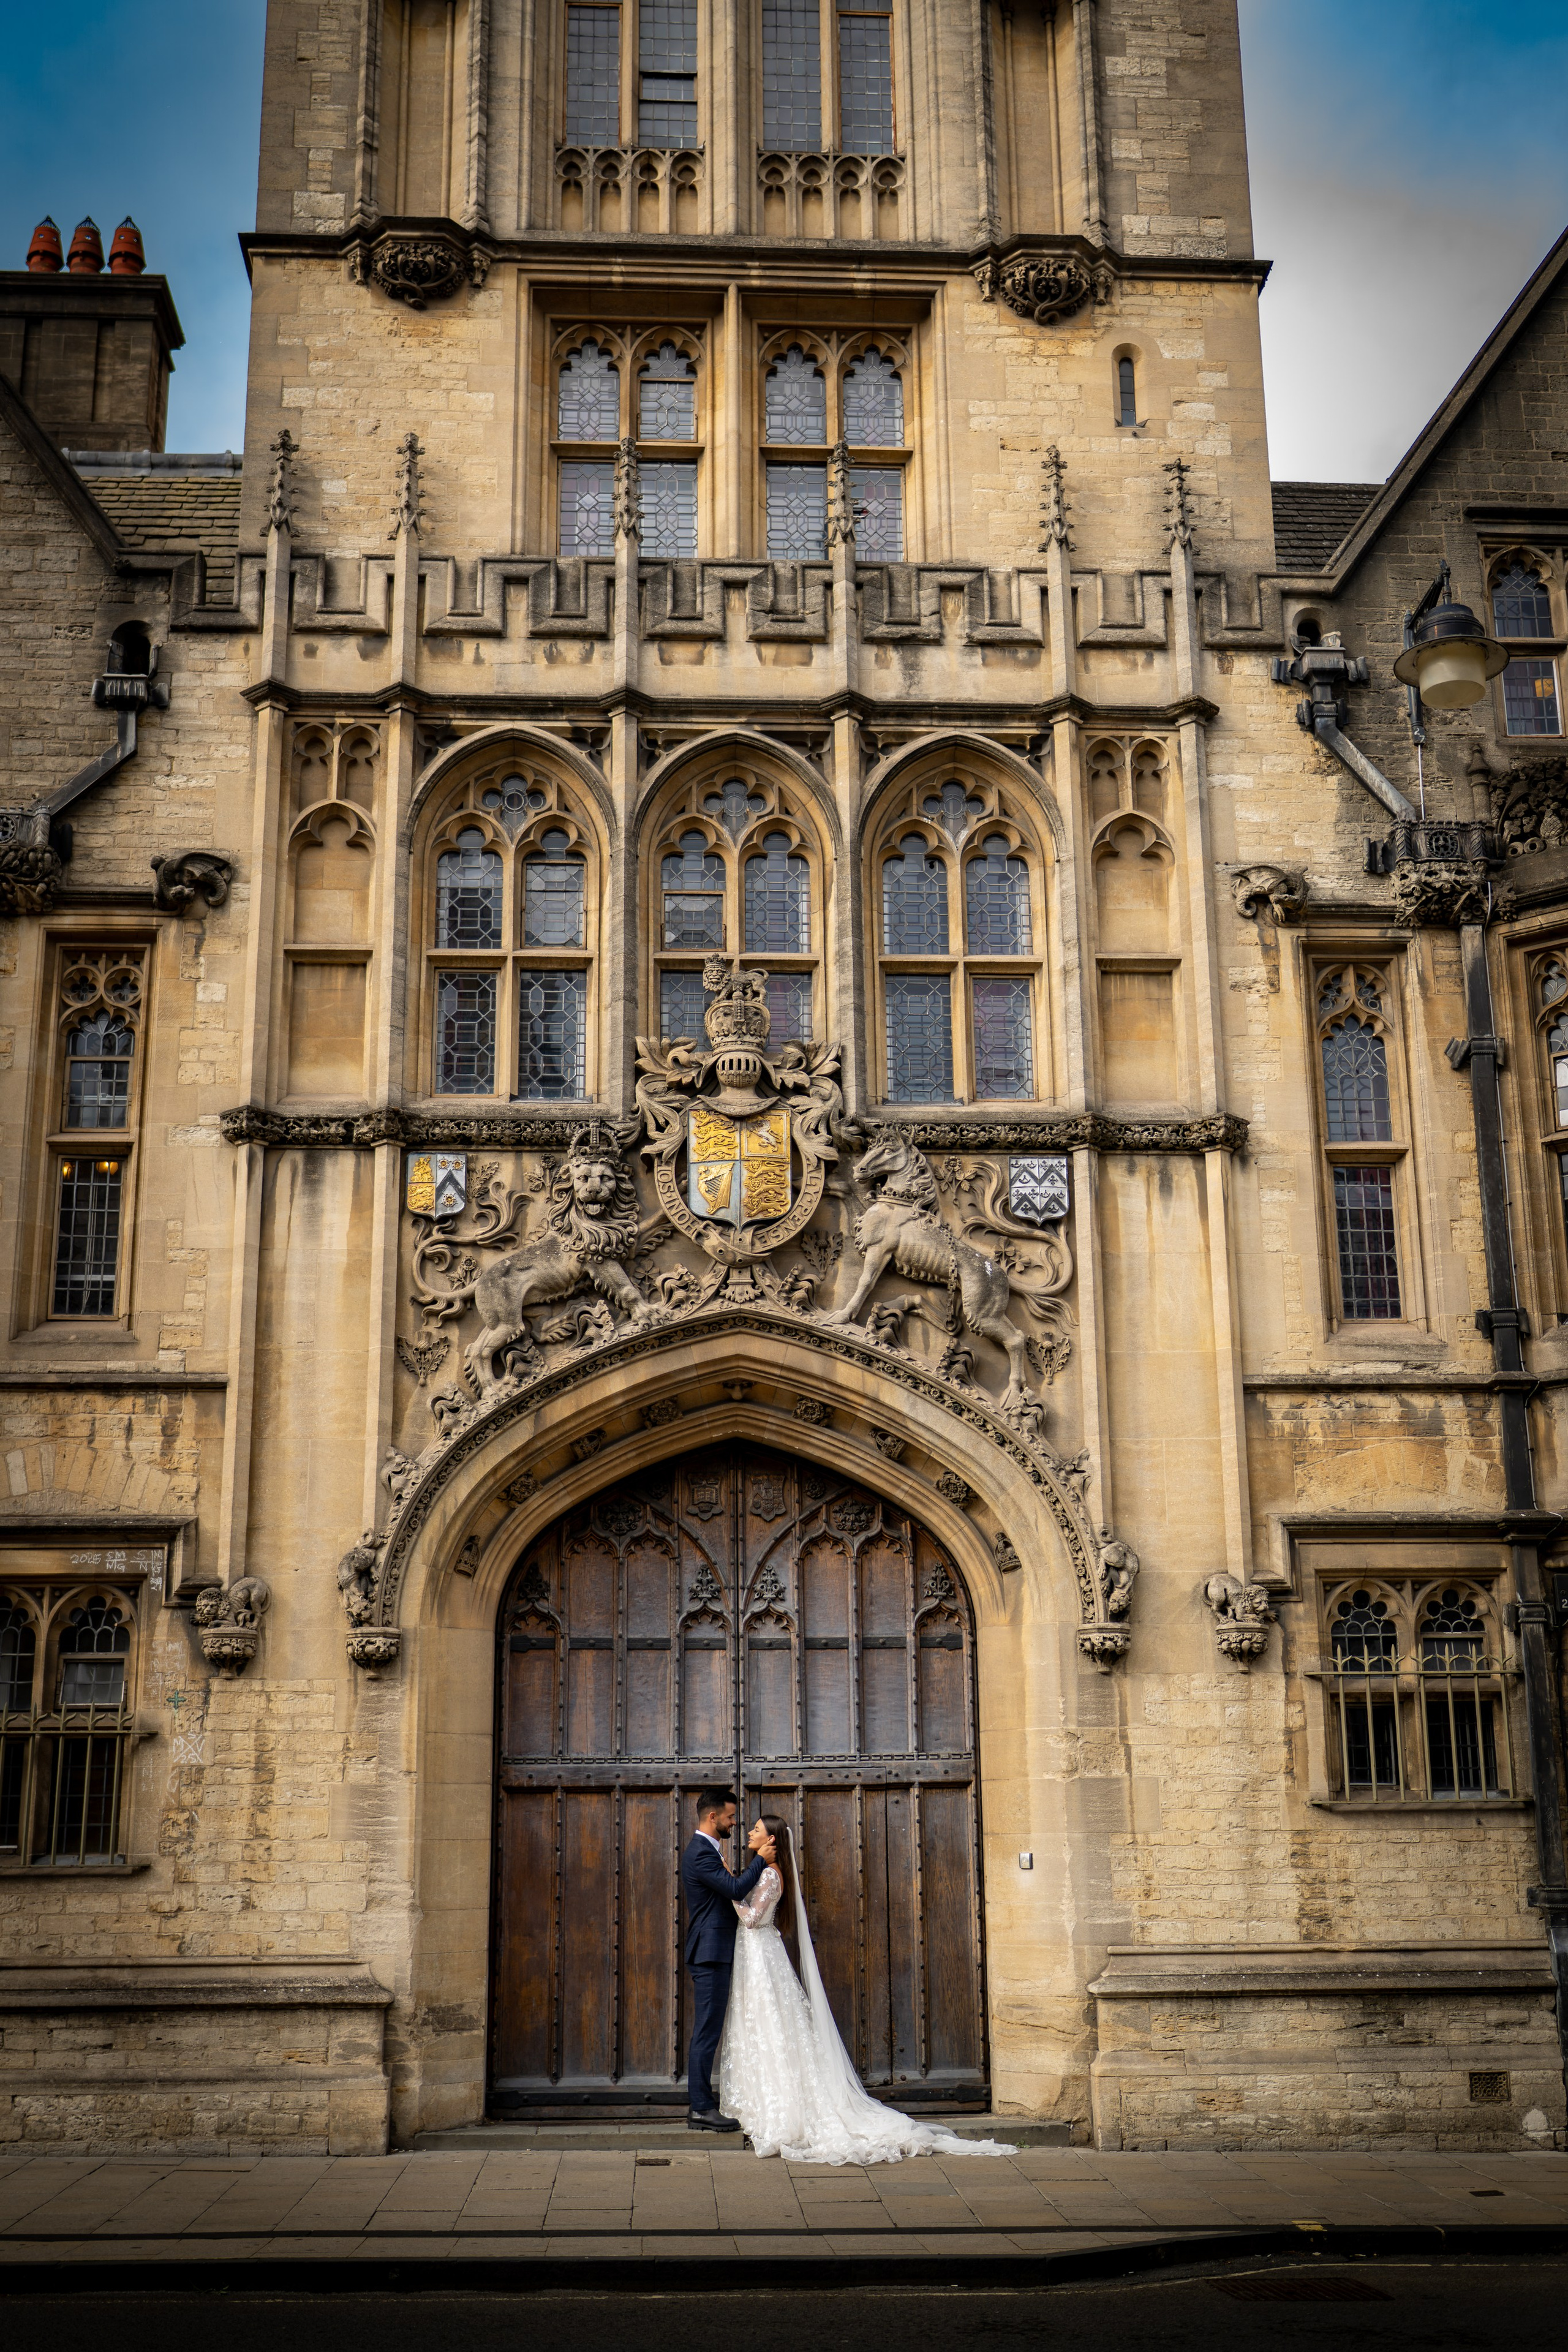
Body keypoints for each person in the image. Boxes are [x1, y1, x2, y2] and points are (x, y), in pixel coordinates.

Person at [717, 1812, 1017, 2164]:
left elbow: (752, 1919)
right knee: (763, 2027)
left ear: (772, 1841)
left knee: (772, 2026)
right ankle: (763, 2101)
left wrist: (728, 1888)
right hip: (756, 1956)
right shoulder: (764, 1870)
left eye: (756, 1830)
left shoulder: (770, 1873)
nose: (749, 1833)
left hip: (762, 1957)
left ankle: (783, 2109)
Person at [679, 1787, 773, 2133]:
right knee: (707, 2031)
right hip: (709, 1953)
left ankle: (704, 2106)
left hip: (716, 1951)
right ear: (713, 1817)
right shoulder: (701, 1853)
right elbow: (734, 1891)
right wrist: (762, 1857)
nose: (736, 1822)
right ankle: (701, 2108)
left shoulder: (710, 1851)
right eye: (731, 1817)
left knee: (711, 2029)